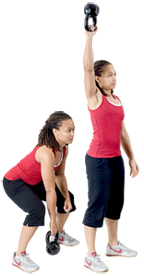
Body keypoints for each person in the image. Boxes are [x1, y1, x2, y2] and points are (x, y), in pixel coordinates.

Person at [82, 26, 139, 273]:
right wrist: (89, 38)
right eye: (108, 75)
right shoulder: (95, 97)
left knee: (115, 204)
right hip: (97, 160)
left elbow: (122, 131)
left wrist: (132, 158)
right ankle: (90, 255)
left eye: (115, 74)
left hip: (115, 159)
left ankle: (113, 245)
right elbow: (86, 68)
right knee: (96, 205)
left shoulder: (116, 99)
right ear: (98, 78)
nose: (114, 78)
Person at [3, 111, 79, 274]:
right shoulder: (45, 152)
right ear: (55, 131)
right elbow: (50, 190)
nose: (72, 134)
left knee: (68, 198)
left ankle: (58, 234)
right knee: (37, 210)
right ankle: (19, 255)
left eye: (74, 130)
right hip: (15, 182)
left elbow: (60, 175)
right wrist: (52, 220)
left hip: (34, 181)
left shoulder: (64, 148)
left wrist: (65, 197)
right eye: (68, 130)